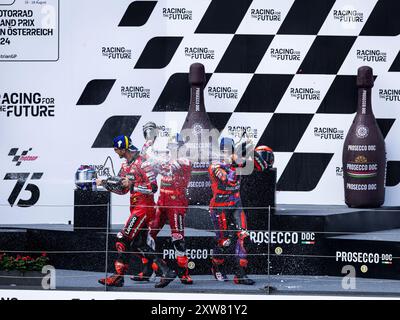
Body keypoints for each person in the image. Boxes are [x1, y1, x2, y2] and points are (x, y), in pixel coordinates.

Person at [96, 135, 177, 288]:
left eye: (116, 149)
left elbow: (153, 188)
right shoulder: (125, 165)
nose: (115, 152)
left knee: (122, 238)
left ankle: (118, 277)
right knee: (138, 244)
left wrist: (133, 185)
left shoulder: (144, 163)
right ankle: (167, 271)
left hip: (144, 208)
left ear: (123, 148)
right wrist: (105, 183)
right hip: (136, 207)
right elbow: (122, 189)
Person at [208, 137, 273, 285]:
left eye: (230, 151)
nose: (227, 154)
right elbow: (228, 179)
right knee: (224, 242)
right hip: (219, 208)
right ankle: (217, 267)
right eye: (225, 151)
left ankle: (240, 275)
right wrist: (237, 161)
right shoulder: (215, 166)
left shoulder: (240, 162)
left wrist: (251, 150)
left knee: (244, 237)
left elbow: (262, 167)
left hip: (237, 205)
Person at [132, 133, 193, 285]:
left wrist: (152, 159)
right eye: (170, 147)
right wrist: (148, 144)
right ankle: (148, 272)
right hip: (162, 201)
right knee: (148, 235)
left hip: (176, 203)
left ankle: (183, 273)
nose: (171, 150)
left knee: (178, 239)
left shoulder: (185, 160)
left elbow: (167, 170)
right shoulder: (166, 158)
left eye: (174, 147)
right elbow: (147, 162)